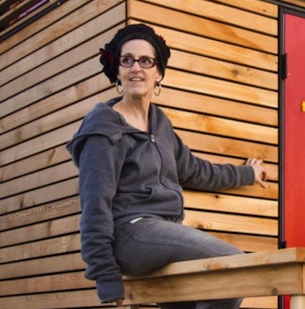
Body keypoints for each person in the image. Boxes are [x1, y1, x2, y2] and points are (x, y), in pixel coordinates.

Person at [66, 23, 268, 308]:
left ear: (158, 72)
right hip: (129, 233)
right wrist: (105, 276)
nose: (136, 68)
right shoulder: (104, 129)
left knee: (199, 296)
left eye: (146, 61)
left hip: (165, 234)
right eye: (127, 60)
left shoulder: (159, 124)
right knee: (235, 265)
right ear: (117, 72)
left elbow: (194, 170)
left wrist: (248, 173)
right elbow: (94, 203)